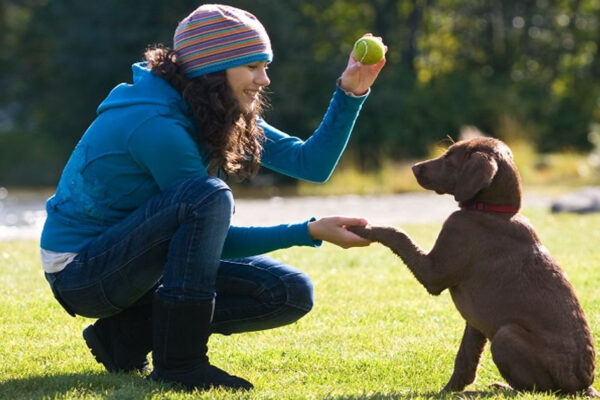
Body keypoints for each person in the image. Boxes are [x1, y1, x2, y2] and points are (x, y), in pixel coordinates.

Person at [40, 3, 386, 392]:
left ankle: (124, 336)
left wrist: (351, 91)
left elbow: (311, 164)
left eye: (265, 65)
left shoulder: (215, 108)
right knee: (207, 196)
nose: (265, 79)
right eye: (253, 66)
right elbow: (212, 234)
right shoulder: (157, 124)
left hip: (138, 266)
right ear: (213, 70)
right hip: (82, 272)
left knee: (288, 293)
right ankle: (181, 364)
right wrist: (307, 231)